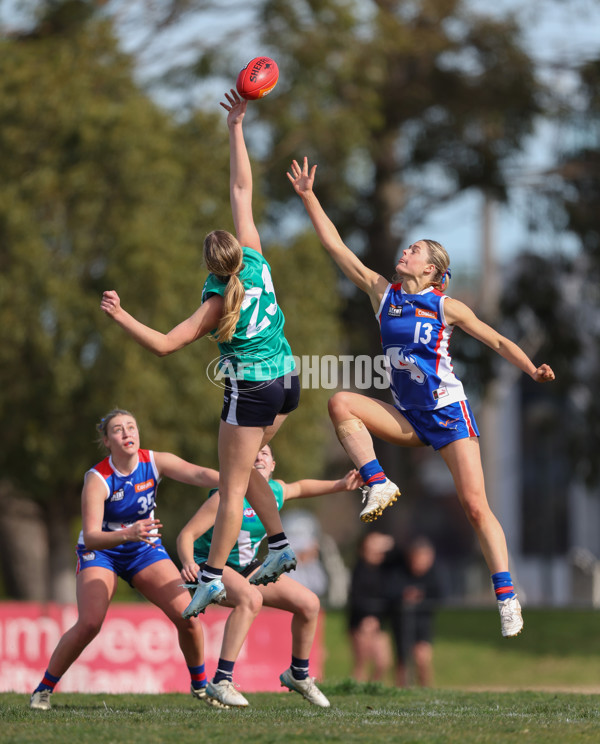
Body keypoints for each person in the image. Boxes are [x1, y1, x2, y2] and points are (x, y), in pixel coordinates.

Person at [287, 156, 556, 638]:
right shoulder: (382, 293)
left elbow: (495, 340)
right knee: (340, 402)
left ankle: (506, 596)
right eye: (407, 248)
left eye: (414, 251)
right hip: (408, 416)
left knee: (476, 506)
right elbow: (337, 247)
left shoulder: (445, 305)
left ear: (432, 269)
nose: (405, 252)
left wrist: (531, 368)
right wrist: (309, 197)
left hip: (449, 415)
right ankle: (378, 481)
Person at [101, 89, 300, 617]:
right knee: (249, 471)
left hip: (253, 391)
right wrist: (237, 126)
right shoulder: (255, 256)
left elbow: (166, 346)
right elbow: (242, 186)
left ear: (211, 266)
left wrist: (121, 316)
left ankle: (212, 577)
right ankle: (279, 545)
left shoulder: (214, 302)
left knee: (231, 489)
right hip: (289, 381)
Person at [29, 409, 219, 711]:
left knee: (189, 617)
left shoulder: (154, 461)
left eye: (131, 427)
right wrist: (128, 534)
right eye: (118, 429)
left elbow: (198, 474)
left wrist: (233, 482)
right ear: (107, 441)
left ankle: (201, 687)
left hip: (142, 547)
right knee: (90, 623)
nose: (127, 433)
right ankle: (43, 690)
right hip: (102, 550)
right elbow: (91, 536)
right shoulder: (97, 478)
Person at [177, 443, 362, 708]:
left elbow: (300, 487)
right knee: (251, 599)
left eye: (264, 453)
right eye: (252, 453)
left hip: (245, 568)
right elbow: (186, 535)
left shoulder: (275, 491)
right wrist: (187, 563)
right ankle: (222, 680)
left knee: (309, 604)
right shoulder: (225, 496)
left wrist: (340, 484)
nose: (258, 457)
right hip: (208, 567)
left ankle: (298, 674)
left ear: (273, 465)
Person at [388, 536, 440, 687]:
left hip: (422, 621)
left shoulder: (433, 574)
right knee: (402, 661)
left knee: (422, 657)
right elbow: (390, 590)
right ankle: (402, 691)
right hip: (402, 621)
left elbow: (439, 594)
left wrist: (420, 596)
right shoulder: (399, 572)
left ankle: (426, 691)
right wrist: (404, 596)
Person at [348, 531, 396, 684]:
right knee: (362, 662)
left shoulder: (387, 566)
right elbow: (357, 596)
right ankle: (353, 693)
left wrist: (388, 542)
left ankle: (372, 690)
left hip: (380, 621)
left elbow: (402, 554)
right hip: (362, 621)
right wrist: (367, 618)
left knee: (383, 662)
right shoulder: (360, 568)